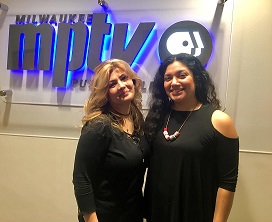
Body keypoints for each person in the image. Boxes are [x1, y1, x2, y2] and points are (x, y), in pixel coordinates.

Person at [143, 53, 239, 222]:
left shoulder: (219, 121)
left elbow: (227, 182)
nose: (174, 83)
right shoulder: (157, 117)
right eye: (168, 78)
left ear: (197, 79)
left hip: (196, 213)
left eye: (182, 75)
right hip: (157, 213)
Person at [73, 59, 150, 222]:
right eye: (112, 84)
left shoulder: (136, 117)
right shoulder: (99, 125)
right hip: (105, 216)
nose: (121, 86)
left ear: (133, 81)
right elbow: (81, 178)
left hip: (131, 213)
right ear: (104, 93)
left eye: (124, 78)